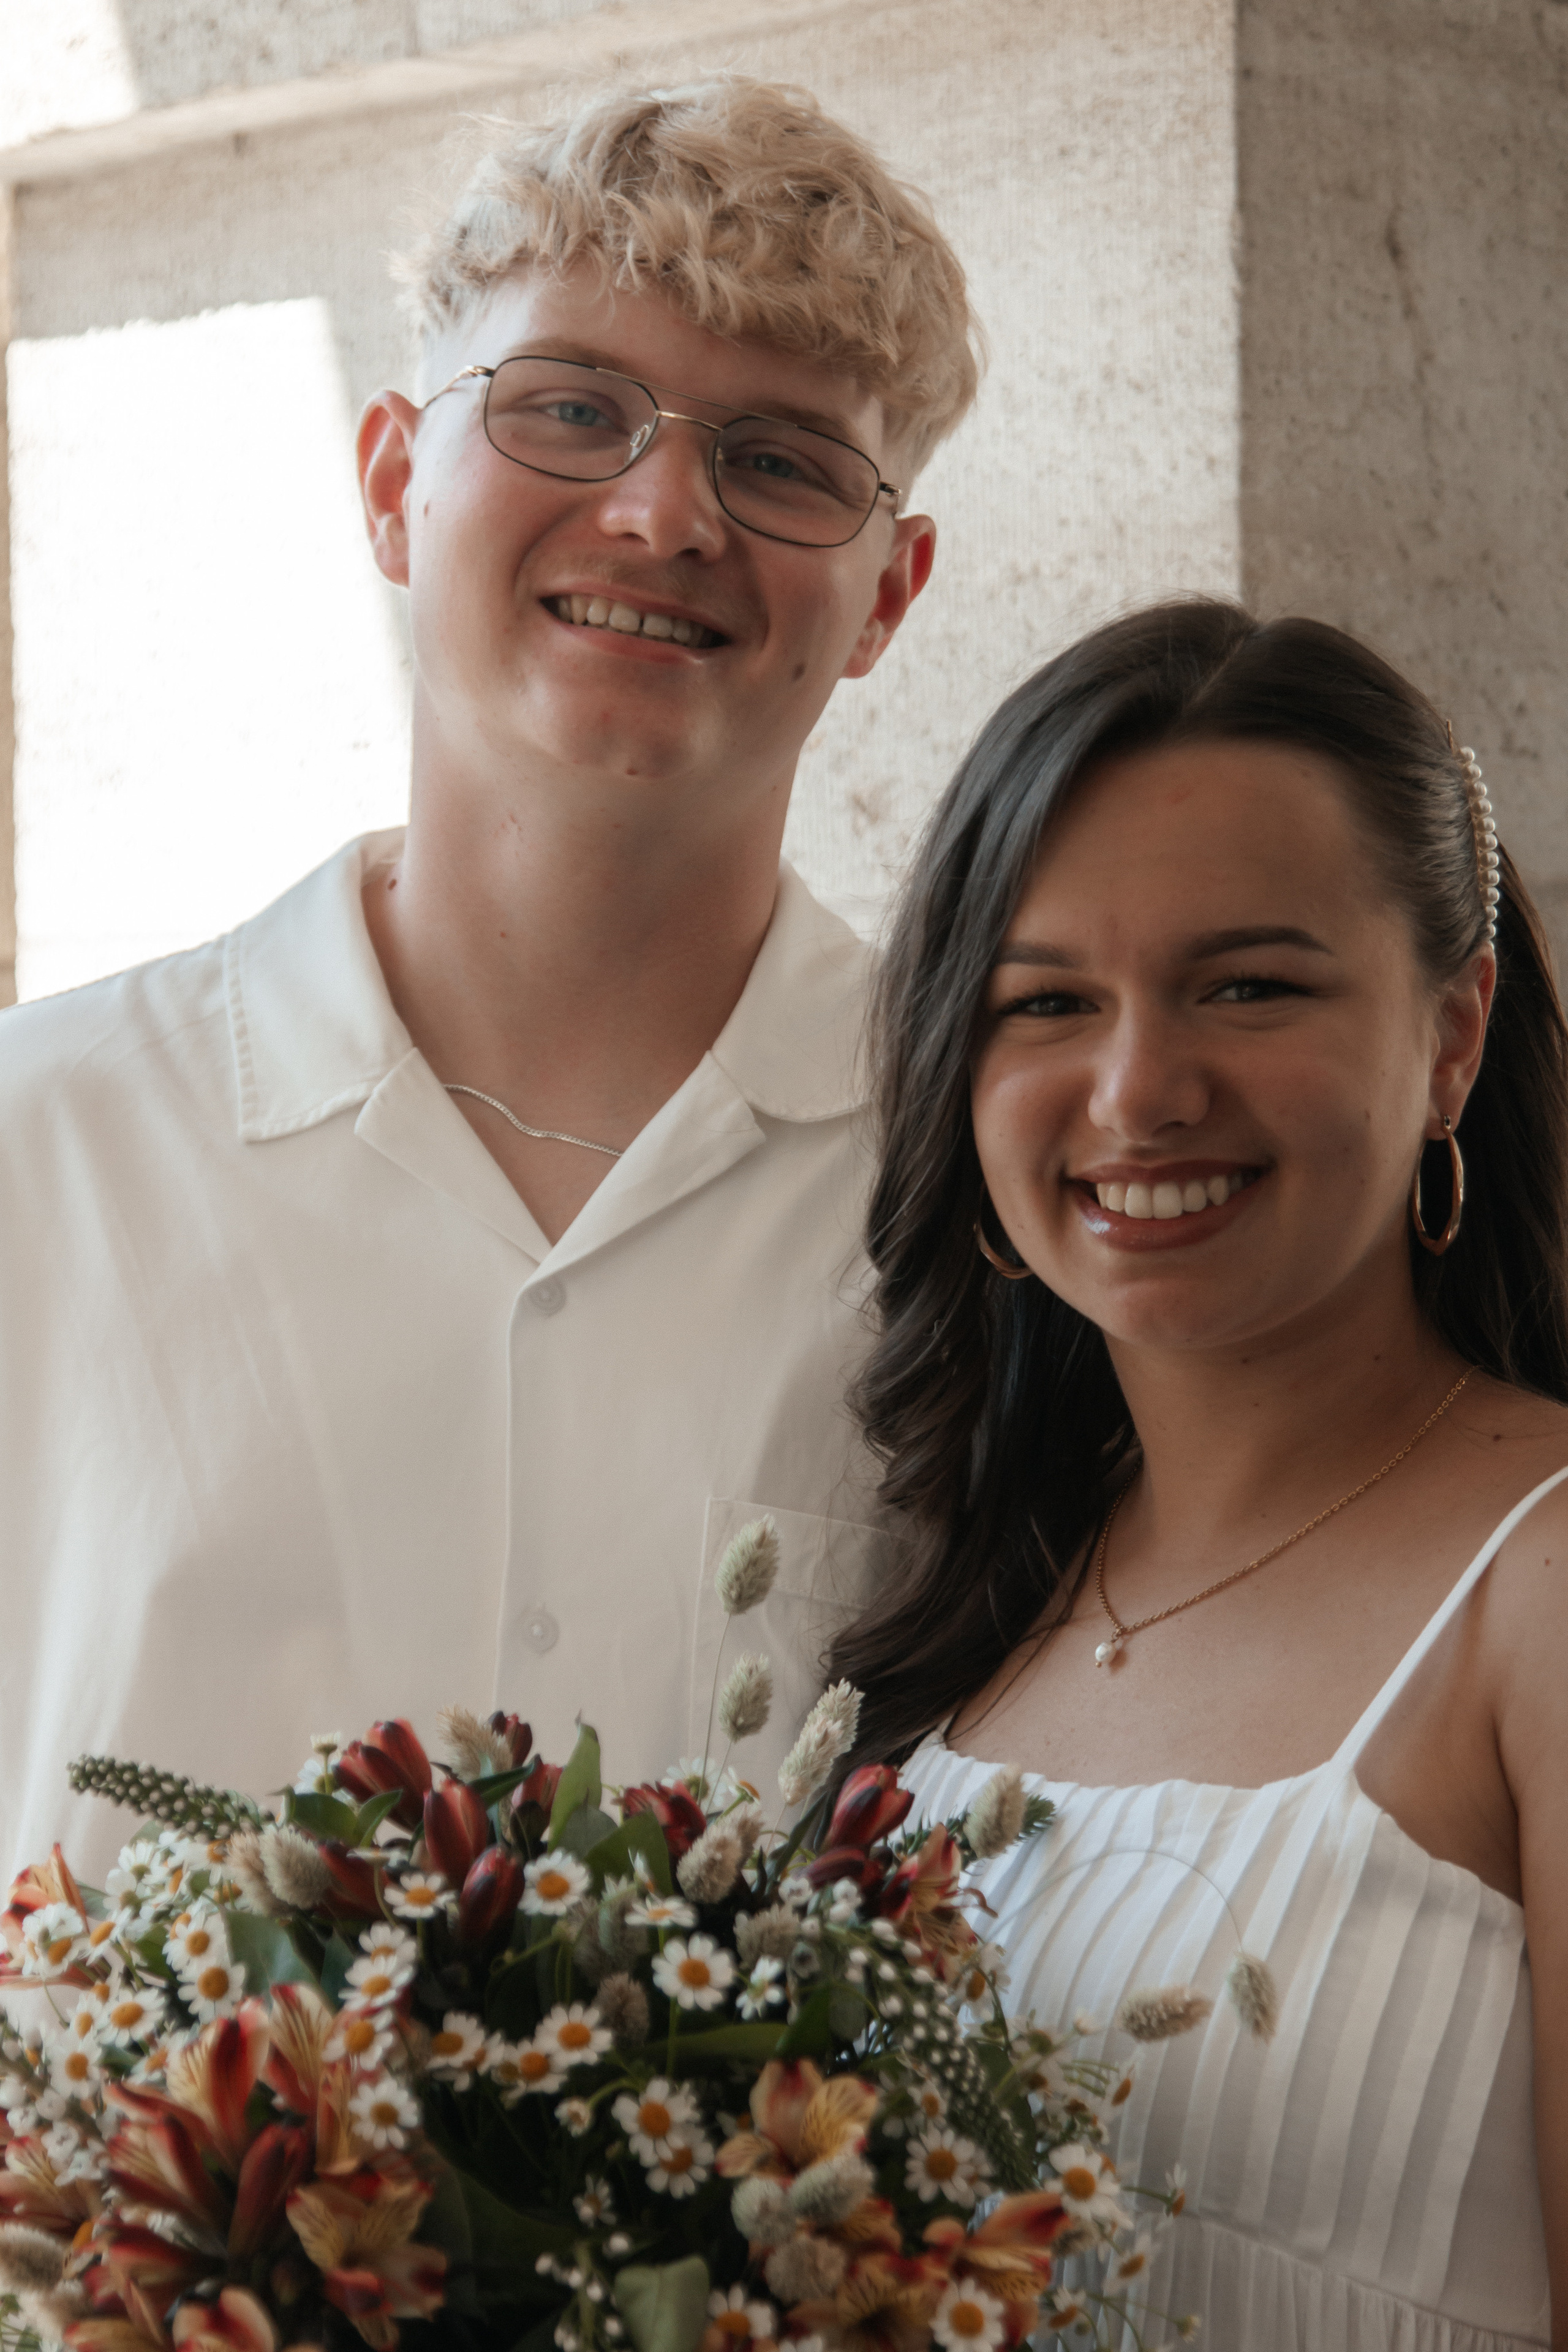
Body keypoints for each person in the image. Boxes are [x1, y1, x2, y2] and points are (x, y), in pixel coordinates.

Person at [0, 77, 981, 1880]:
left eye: (780, 461)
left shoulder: (984, 1192)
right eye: (572, 410)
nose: (663, 513)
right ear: (394, 485)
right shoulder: (35, 1140)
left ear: (890, 597)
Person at [831, 601, 1568, 2344]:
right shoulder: (974, 1581)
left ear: (1453, 1033)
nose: (1138, 1088)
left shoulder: (1540, 1585)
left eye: (1250, 986)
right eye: (1047, 1003)